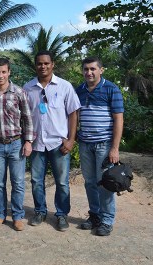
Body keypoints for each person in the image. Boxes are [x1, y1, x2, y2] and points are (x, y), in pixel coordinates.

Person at [23, 51, 81, 231]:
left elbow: (73, 113)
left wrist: (71, 140)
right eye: (39, 64)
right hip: (37, 144)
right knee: (36, 181)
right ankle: (40, 211)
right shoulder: (28, 88)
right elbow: (24, 117)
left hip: (59, 144)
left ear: (52, 64)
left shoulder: (64, 86)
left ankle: (61, 214)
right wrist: (27, 140)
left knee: (62, 182)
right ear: (35, 66)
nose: (43, 66)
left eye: (46, 63)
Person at [76, 57, 124, 236]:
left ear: (101, 70)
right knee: (90, 182)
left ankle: (107, 220)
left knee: (105, 183)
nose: (89, 72)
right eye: (86, 69)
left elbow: (119, 119)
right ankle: (95, 215)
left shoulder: (111, 89)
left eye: (93, 69)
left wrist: (115, 148)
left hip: (104, 145)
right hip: (85, 144)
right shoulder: (79, 90)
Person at [0, 58, 33, 231]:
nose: (0, 75)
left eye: (4, 72)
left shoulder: (19, 92)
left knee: (18, 182)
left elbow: (27, 118)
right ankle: (0, 215)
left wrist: (28, 141)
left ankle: (17, 216)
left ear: (9, 72)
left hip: (16, 143)